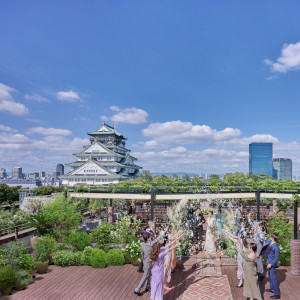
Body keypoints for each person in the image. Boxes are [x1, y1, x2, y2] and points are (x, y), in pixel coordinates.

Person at [134, 231, 164, 296]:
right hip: (148, 262)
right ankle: (137, 289)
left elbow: (142, 254)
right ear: (148, 238)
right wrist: (163, 233)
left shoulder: (143, 245)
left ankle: (147, 286)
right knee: (145, 275)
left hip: (145, 261)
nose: (151, 237)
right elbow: (157, 239)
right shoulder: (150, 244)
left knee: (149, 273)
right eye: (150, 236)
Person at [257, 233, 280, 299]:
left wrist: (271, 264)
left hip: (271, 264)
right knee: (270, 276)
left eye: (271, 236)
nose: (269, 237)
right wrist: (258, 235)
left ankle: (277, 294)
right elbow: (264, 240)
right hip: (268, 261)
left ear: (272, 238)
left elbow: (276, 258)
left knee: (273, 278)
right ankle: (272, 288)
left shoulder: (276, 247)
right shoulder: (270, 242)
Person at [248, 213, 266, 280]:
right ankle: (258, 272)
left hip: (259, 250)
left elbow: (261, 244)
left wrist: (258, 252)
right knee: (257, 261)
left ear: (261, 228)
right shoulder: (257, 231)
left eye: (258, 226)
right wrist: (249, 218)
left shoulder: (261, 234)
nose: (257, 226)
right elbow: (252, 225)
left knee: (259, 261)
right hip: (256, 249)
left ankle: (261, 274)